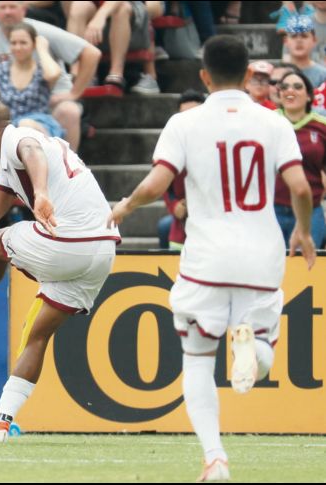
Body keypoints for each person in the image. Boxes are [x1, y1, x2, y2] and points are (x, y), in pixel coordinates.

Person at [107, 35, 316, 481]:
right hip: (261, 252)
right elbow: (300, 187)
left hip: (205, 255)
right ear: (248, 76)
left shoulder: (186, 124)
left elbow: (158, 184)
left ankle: (215, 457)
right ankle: (252, 346)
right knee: (262, 352)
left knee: (198, 359)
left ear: (203, 76)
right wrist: (301, 229)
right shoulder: (275, 123)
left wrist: (124, 206)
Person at [0, 96, 119, 444]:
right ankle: (0, 422)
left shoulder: (18, 138)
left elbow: (32, 151)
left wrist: (40, 193)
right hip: (103, 250)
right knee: (37, 335)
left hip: (70, 239)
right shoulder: (12, 164)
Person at [0, 1, 101, 150]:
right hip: (11, 110)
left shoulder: (43, 33)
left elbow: (91, 53)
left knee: (69, 110)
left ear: (24, 9)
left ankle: (69, 166)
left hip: (50, 103)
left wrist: (74, 93)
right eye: (3, 7)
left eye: (12, 7)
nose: (8, 12)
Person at [274, 69, 326, 249]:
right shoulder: (267, 123)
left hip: (311, 211)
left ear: (309, 96)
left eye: (297, 86)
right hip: (271, 211)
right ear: (279, 94)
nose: (290, 91)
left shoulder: (321, 126)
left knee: (307, 271)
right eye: (285, 87)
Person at [0, 22, 63, 138]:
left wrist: (41, 49)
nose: (18, 47)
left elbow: (53, 74)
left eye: (23, 43)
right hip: (9, 127)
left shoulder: (42, 69)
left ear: (33, 44)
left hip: (39, 125)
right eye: (13, 43)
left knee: (25, 125)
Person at [161, 90, 206, 251]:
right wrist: (174, 206)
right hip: (182, 224)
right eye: (184, 115)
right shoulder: (171, 143)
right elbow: (163, 184)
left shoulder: (217, 142)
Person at [283, 16, 326, 90]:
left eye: (304, 36)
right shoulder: (278, 74)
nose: (299, 40)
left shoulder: (323, 76)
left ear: (314, 40)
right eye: (293, 36)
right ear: (286, 41)